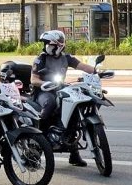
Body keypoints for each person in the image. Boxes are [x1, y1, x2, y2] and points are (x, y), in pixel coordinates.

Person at [31, 30, 95, 167]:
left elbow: (83, 67)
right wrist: (45, 83)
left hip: (61, 89)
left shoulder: (67, 58)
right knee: (50, 104)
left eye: (50, 44)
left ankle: (74, 154)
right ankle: (38, 143)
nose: (46, 46)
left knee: (74, 112)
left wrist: (97, 72)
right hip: (44, 92)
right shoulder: (40, 59)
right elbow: (33, 79)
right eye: (46, 44)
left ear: (59, 45)